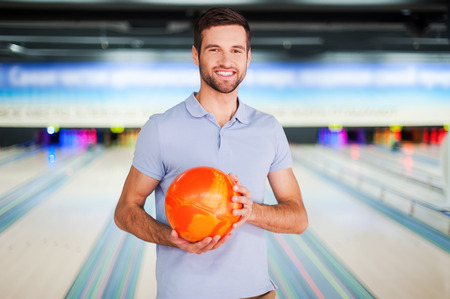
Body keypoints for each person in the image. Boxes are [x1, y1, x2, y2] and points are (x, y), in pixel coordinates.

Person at [114, 7, 308, 299]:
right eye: (214, 49)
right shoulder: (160, 128)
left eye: (236, 50)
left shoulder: (268, 129)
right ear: (196, 55)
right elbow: (125, 211)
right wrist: (173, 237)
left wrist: (251, 211)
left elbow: (298, 218)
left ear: (248, 57)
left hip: (256, 294)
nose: (226, 61)